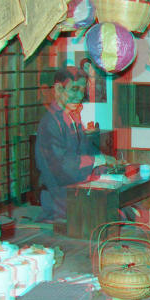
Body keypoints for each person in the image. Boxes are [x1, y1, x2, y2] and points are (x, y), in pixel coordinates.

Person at [35, 66, 120, 221]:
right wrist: (98, 161)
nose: (79, 96)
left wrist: (105, 163)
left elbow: (86, 148)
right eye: (74, 89)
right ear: (58, 89)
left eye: (82, 90)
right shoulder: (50, 123)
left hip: (76, 185)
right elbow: (63, 165)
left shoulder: (73, 117)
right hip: (59, 194)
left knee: (120, 201)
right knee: (109, 215)